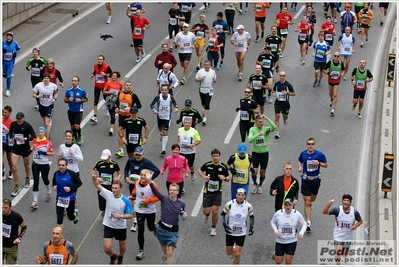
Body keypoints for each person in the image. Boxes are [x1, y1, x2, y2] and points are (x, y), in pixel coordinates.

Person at [91, 173, 134, 265]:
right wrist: (93, 178)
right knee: (106, 248)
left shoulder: (125, 200)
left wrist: (121, 216)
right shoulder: (109, 195)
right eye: (112, 188)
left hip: (120, 226)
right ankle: (113, 256)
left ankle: (121, 256)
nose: (113, 190)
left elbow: (131, 215)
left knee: (122, 246)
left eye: (116, 188)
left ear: (120, 189)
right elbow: (97, 185)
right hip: (108, 225)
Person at [147, 172, 186, 264]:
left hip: (173, 231)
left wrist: (184, 216)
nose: (172, 191)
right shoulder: (164, 198)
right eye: (170, 190)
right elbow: (155, 191)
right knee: (164, 248)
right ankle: (164, 251)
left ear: (178, 192)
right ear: (169, 191)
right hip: (161, 229)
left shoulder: (182, 203)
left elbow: (181, 213)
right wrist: (149, 180)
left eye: (174, 190)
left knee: (170, 252)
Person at [124, 146, 160, 232]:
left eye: (139, 155)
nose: (137, 156)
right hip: (134, 185)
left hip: (144, 186)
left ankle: (148, 218)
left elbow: (157, 171)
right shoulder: (130, 160)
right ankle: (136, 222)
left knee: (143, 201)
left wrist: (149, 180)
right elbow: (126, 169)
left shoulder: (147, 162)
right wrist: (126, 177)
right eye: (136, 154)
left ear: (142, 154)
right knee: (134, 202)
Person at [297, 137, 328, 232]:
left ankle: (310, 204)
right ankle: (308, 222)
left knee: (312, 199)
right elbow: (300, 161)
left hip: (315, 180)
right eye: (309, 144)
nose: (310, 146)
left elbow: (326, 165)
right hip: (306, 180)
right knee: (307, 201)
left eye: (312, 144)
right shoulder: (303, 154)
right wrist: (300, 167)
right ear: (307, 145)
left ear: (314, 145)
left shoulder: (319, 154)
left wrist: (318, 163)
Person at [322, 194, 363, 264]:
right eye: (344, 200)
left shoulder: (354, 212)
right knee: (338, 251)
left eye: (348, 201)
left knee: (344, 255)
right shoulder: (337, 210)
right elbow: (325, 212)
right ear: (342, 201)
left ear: (350, 203)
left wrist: (355, 226)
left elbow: (360, 221)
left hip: (348, 237)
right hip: (338, 235)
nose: (346, 202)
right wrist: (329, 204)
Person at [198, 148, 230, 236]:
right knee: (206, 211)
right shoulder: (208, 165)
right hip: (207, 191)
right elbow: (199, 170)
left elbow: (228, 178)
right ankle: (206, 215)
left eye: (217, 156)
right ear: (212, 157)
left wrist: (224, 178)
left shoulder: (223, 167)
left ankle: (213, 227)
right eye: (214, 156)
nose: (215, 158)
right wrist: (203, 177)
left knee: (215, 211)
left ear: (219, 156)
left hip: (217, 192)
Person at [131, 169, 160, 260]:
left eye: (145, 175)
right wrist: (132, 196)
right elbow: (135, 192)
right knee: (141, 230)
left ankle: (154, 227)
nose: (143, 176)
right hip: (139, 210)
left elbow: (159, 197)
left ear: (149, 176)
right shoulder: (136, 183)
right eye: (141, 174)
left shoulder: (153, 185)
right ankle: (141, 251)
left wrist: (149, 200)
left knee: (150, 228)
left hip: (150, 210)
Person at [220, 188, 254, 264]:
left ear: (245, 196)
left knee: (237, 253)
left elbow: (251, 216)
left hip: (241, 232)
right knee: (228, 252)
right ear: (236, 195)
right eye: (239, 195)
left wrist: (251, 227)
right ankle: (232, 250)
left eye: (242, 195)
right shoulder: (230, 204)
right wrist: (225, 226)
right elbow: (222, 215)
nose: (240, 197)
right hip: (230, 232)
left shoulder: (248, 206)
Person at [270, 198, 307, 264]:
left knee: (288, 261)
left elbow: (304, 224)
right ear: (284, 205)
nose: (288, 207)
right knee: (278, 261)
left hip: (292, 241)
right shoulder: (278, 213)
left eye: (289, 205)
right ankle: (276, 255)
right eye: (286, 205)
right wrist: (276, 231)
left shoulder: (297, 214)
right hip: (280, 240)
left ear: (292, 205)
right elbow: (272, 222)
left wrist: (301, 232)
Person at [9, 112, 36, 197]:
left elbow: (34, 136)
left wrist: (24, 138)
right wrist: (10, 138)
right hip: (16, 148)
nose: (19, 120)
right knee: (14, 167)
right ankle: (17, 186)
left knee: (26, 165)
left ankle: (28, 177)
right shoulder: (13, 124)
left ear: (23, 118)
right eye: (17, 119)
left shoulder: (27, 125)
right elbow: (10, 132)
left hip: (25, 148)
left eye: (20, 119)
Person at [248, 114, 276, 194]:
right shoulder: (252, 129)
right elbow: (250, 139)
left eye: (262, 122)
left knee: (262, 172)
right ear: (256, 122)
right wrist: (259, 134)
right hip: (255, 154)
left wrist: (267, 119)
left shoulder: (266, 129)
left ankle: (260, 185)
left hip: (264, 154)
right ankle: (254, 184)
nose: (261, 123)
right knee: (254, 171)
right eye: (260, 122)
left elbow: (274, 127)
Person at [52, 157, 82, 228]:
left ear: (66, 165)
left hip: (70, 198)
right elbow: (54, 182)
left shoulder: (71, 174)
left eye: (63, 165)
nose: (61, 167)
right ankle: (59, 235)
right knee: (59, 218)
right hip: (60, 198)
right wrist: (54, 186)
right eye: (59, 165)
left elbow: (79, 183)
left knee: (70, 217)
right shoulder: (56, 174)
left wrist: (70, 188)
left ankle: (75, 213)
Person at [115, 81, 142, 158]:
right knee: (121, 131)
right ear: (124, 86)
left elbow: (139, 105)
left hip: (130, 116)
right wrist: (117, 108)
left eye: (130, 85)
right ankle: (121, 149)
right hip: (121, 115)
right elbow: (118, 102)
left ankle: (133, 147)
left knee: (130, 132)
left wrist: (131, 108)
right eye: (127, 85)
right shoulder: (120, 93)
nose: (128, 86)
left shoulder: (133, 95)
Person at [150, 84, 179, 155]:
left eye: (165, 90)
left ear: (168, 90)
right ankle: (161, 134)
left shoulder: (170, 97)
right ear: (161, 90)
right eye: (163, 90)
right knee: (160, 129)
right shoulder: (158, 97)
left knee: (165, 132)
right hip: (160, 116)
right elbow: (151, 104)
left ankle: (163, 148)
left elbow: (175, 103)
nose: (164, 91)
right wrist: (153, 110)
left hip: (167, 117)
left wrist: (176, 108)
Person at [91, 149, 122, 215]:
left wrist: (117, 179)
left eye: (106, 158)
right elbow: (93, 173)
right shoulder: (99, 164)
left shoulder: (114, 164)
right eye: (104, 159)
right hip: (102, 187)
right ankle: (104, 210)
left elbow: (119, 173)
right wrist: (97, 178)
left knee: (111, 203)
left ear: (110, 156)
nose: (105, 160)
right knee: (102, 206)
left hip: (111, 187)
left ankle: (109, 214)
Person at [30, 126, 54, 209]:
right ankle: (35, 201)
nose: (40, 133)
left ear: (44, 133)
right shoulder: (35, 140)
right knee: (36, 181)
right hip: (35, 163)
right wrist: (30, 150)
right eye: (39, 132)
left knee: (45, 179)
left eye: (42, 132)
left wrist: (44, 153)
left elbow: (52, 153)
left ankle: (48, 192)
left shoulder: (47, 142)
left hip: (44, 164)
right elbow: (34, 146)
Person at [59, 130, 83, 200]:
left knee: (74, 187)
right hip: (65, 171)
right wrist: (60, 156)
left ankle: (74, 199)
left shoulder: (76, 147)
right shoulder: (62, 146)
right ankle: (65, 200)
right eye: (66, 136)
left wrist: (74, 154)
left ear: (72, 138)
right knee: (64, 186)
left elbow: (81, 159)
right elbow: (61, 160)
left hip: (74, 170)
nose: (68, 137)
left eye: (69, 136)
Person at [32, 73, 58, 139]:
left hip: (49, 105)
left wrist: (54, 98)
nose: (46, 80)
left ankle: (47, 139)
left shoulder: (53, 86)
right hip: (41, 105)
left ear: (49, 79)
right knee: (45, 122)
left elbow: (56, 92)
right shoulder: (38, 85)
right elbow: (33, 94)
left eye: (47, 78)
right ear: (42, 79)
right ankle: (49, 130)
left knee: (46, 123)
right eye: (45, 78)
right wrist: (38, 96)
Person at [64, 76, 89, 146]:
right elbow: (65, 100)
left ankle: (80, 136)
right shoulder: (68, 90)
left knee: (77, 126)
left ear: (78, 82)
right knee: (72, 127)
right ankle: (75, 138)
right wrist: (68, 100)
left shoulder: (82, 90)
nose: (73, 82)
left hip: (78, 110)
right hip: (70, 110)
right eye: (72, 81)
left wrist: (81, 100)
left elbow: (87, 98)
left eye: (75, 81)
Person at [2, 198, 27, 265]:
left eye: (5, 208)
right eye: (1, 207)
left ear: (10, 207)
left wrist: (19, 237)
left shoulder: (16, 216)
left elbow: (24, 226)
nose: (3, 210)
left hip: (11, 246)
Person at [272, 71, 296, 139]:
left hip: (285, 103)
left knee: (285, 116)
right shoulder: (276, 84)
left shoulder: (288, 85)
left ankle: (285, 119)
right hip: (278, 103)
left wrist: (287, 93)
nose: (281, 77)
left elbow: (294, 93)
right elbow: (273, 90)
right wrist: (273, 93)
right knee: (277, 116)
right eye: (280, 76)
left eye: (283, 76)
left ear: (285, 76)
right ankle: (277, 132)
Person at [89, 55, 112, 123]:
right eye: (98, 59)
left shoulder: (107, 67)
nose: (99, 60)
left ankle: (108, 109)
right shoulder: (95, 66)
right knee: (96, 100)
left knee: (106, 99)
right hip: (97, 86)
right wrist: (92, 75)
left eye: (101, 59)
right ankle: (95, 116)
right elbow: (95, 71)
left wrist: (105, 75)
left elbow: (111, 74)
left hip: (104, 86)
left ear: (103, 60)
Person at [194, 60, 217, 125]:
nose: (206, 66)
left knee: (207, 104)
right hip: (202, 89)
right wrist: (200, 79)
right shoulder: (200, 71)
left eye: (208, 65)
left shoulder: (213, 72)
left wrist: (215, 80)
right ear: (204, 65)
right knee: (203, 103)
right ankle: (204, 110)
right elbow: (196, 79)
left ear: (210, 66)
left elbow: (214, 78)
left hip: (209, 90)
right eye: (205, 65)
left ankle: (205, 118)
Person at [323, 51, 345, 116]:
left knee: (335, 94)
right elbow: (324, 69)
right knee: (330, 93)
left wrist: (342, 73)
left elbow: (343, 70)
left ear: (339, 57)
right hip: (330, 80)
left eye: (337, 56)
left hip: (337, 81)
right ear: (333, 56)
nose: (336, 57)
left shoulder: (341, 63)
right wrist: (328, 73)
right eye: (335, 56)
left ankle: (333, 109)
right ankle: (331, 99)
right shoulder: (330, 62)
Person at [103, 71, 123, 136]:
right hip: (109, 100)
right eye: (112, 75)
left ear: (117, 77)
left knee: (113, 115)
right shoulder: (108, 83)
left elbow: (122, 91)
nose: (113, 77)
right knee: (111, 112)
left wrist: (120, 92)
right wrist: (109, 92)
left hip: (116, 100)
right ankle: (113, 117)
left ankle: (111, 129)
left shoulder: (120, 84)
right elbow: (104, 91)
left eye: (115, 76)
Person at [2, 32, 20, 97]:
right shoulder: (3, 43)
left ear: (12, 37)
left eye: (10, 36)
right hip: (3, 62)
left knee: (8, 76)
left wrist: (16, 53)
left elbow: (18, 49)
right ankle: (8, 75)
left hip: (10, 63)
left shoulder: (15, 43)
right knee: (3, 74)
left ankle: (8, 90)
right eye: (7, 36)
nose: (8, 37)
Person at [2, 105, 13, 180]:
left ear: (10, 113)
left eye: (6, 112)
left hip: (9, 144)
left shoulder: (12, 123)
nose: (4, 114)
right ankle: (3, 171)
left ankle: (11, 170)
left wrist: (10, 132)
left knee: (9, 159)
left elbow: (15, 133)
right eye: (3, 112)